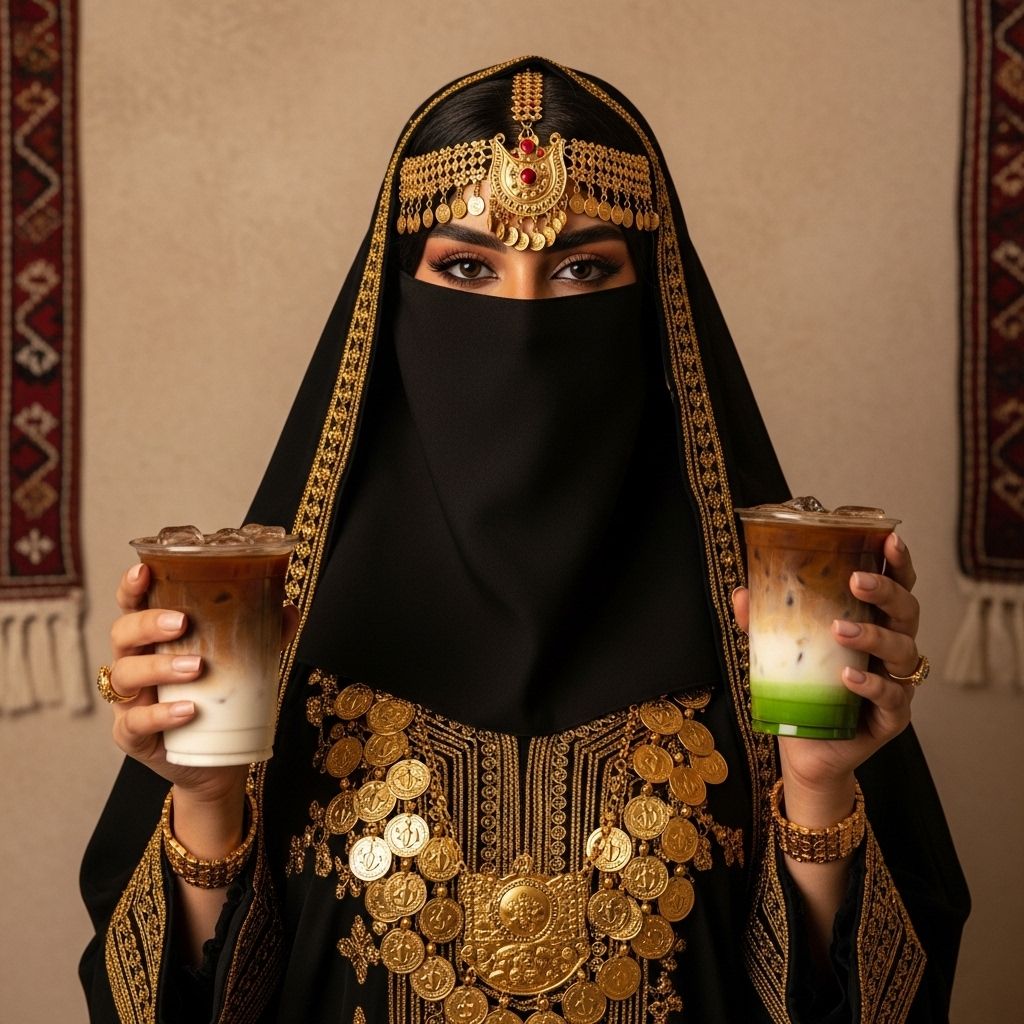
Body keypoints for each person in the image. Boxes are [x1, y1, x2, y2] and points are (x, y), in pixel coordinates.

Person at [80, 57, 969, 1024]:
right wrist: (207, 797)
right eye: (466, 267)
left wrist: (817, 788)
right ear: (396, 297)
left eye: (584, 267)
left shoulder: (769, 613)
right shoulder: (264, 624)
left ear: (655, 306)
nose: (526, 318)